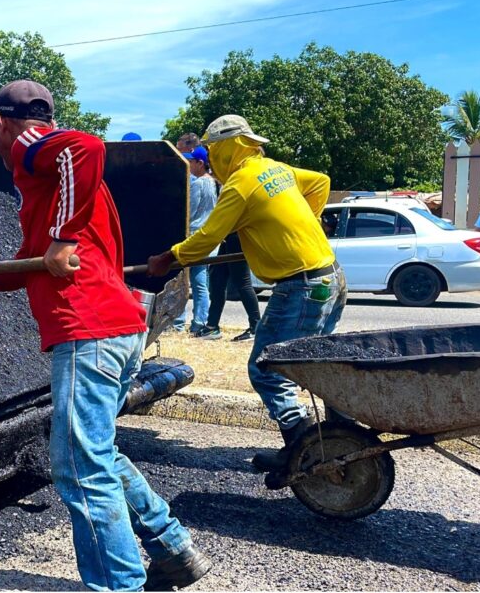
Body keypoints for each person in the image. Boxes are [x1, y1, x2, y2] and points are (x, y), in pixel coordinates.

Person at [0, 80, 210, 591]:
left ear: (1, 122)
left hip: (90, 331)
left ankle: (117, 586)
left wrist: (61, 241)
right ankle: (172, 548)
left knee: (78, 468)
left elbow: (86, 146)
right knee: (96, 454)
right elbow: (27, 267)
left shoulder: (32, 149)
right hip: (121, 328)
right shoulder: (62, 195)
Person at [147, 115, 346, 473]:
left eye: (211, 149)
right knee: (313, 365)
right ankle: (338, 437)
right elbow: (320, 182)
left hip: (302, 286)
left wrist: (169, 258)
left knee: (266, 369)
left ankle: (302, 447)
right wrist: (304, 224)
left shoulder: (241, 185)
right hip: (330, 276)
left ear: (226, 148)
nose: (210, 157)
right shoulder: (276, 169)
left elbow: (207, 239)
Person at [172, 145, 217, 334]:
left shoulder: (198, 183)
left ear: (200, 163)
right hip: (208, 235)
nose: (188, 164)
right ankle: (199, 322)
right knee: (201, 282)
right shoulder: (214, 182)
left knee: (184, 280)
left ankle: (179, 323)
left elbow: (189, 211)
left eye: (191, 161)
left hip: (193, 234)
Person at [196, 230, 261, 342]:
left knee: (243, 282)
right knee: (218, 279)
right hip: (229, 236)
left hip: (238, 235)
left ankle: (256, 328)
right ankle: (212, 327)